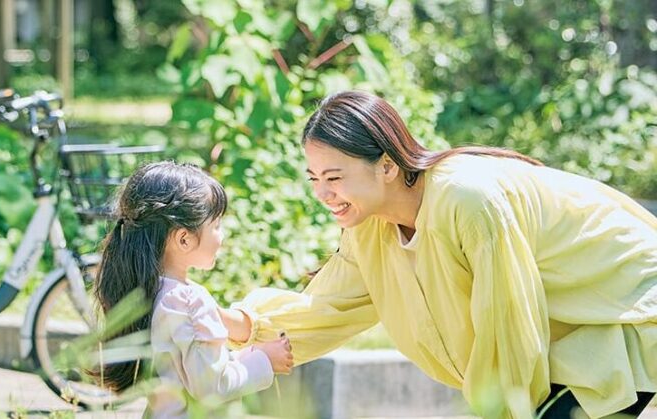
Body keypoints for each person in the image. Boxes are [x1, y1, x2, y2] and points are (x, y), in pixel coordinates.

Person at [219, 90, 657, 418]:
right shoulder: (370, 225)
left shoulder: (467, 201)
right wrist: (228, 323)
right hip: (569, 338)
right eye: (313, 178)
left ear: (388, 166)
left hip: (625, 312)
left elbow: (508, 324)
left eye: (334, 176)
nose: (322, 193)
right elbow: (328, 306)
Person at [93, 161, 294, 418]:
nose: (222, 235)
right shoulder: (189, 301)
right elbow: (212, 388)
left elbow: (191, 371)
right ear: (184, 239)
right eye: (216, 226)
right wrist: (265, 360)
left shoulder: (149, 290)